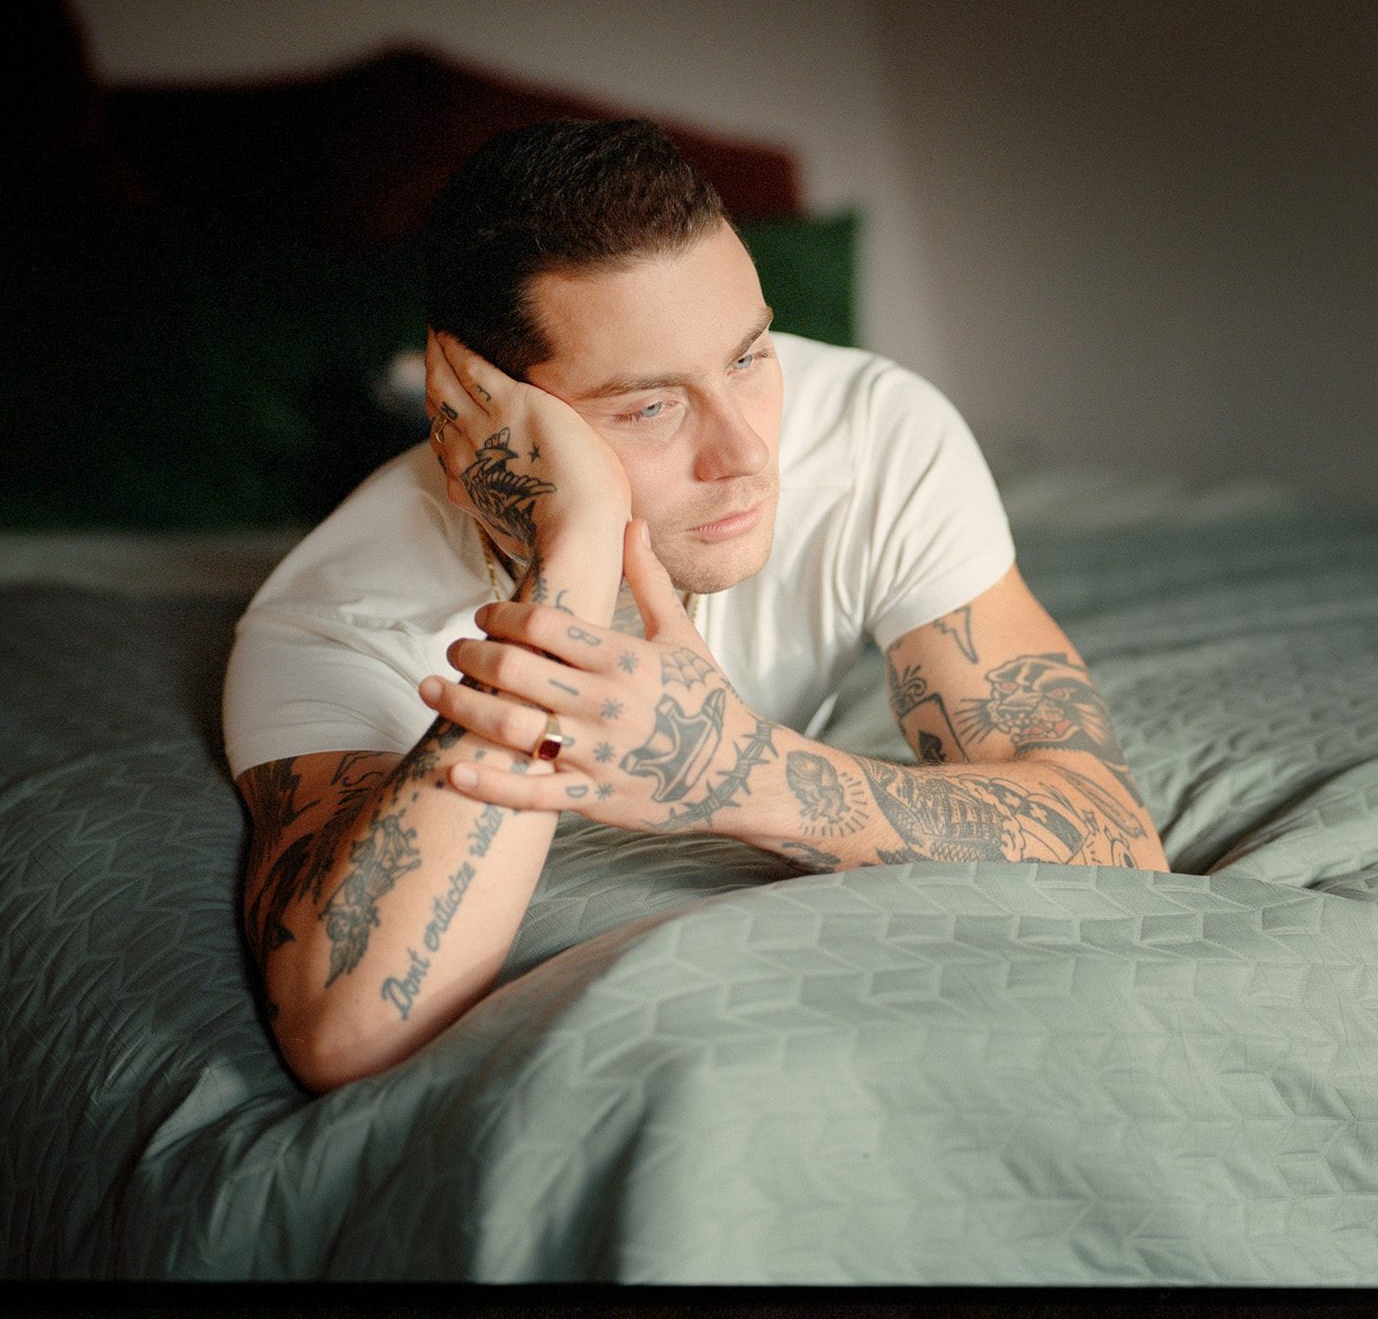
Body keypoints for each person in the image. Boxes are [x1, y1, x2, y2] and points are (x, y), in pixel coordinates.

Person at [224, 119, 1167, 1093]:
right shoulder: (344, 616)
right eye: (648, 406)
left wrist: (734, 771)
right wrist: (575, 551)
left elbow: (1121, 845)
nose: (747, 452)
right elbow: (347, 1033)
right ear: (477, 410)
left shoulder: (874, 431)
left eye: (748, 356)